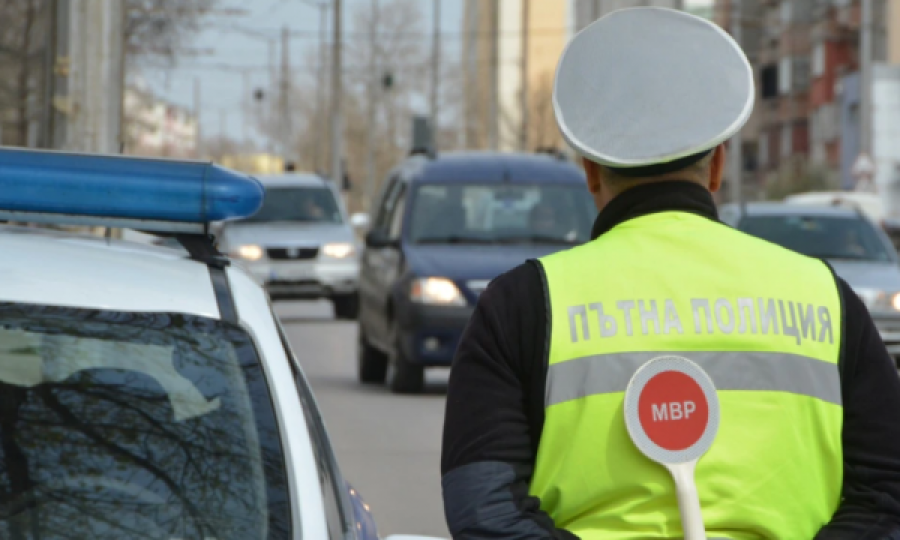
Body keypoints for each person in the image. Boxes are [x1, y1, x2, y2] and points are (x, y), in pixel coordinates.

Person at [440, 7, 900, 540]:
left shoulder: (520, 304)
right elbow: (886, 490)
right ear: (719, 166)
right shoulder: (824, 296)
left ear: (590, 171)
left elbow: (484, 509)